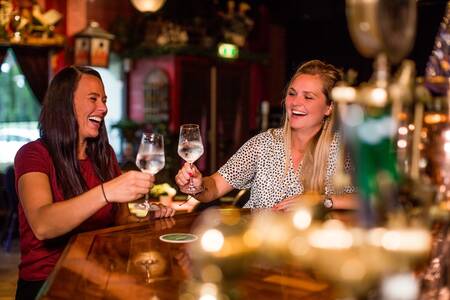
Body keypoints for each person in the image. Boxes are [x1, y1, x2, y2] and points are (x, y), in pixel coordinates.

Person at [14, 66, 174, 300]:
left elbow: (120, 220)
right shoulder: (33, 154)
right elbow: (43, 225)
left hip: (99, 274)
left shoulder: (103, 154)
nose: (104, 108)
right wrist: (106, 191)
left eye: (104, 100)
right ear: (65, 103)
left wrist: (147, 219)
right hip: (48, 283)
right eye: (93, 99)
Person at [175, 60, 357, 210]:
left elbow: (374, 201)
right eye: (292, 94)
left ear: (329, 107)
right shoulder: (264, 144)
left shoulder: (344, 150)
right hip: (257, 245)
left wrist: (321, 201)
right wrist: (198, 186)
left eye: (308, 97)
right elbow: (213, 188)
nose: (295, 103)